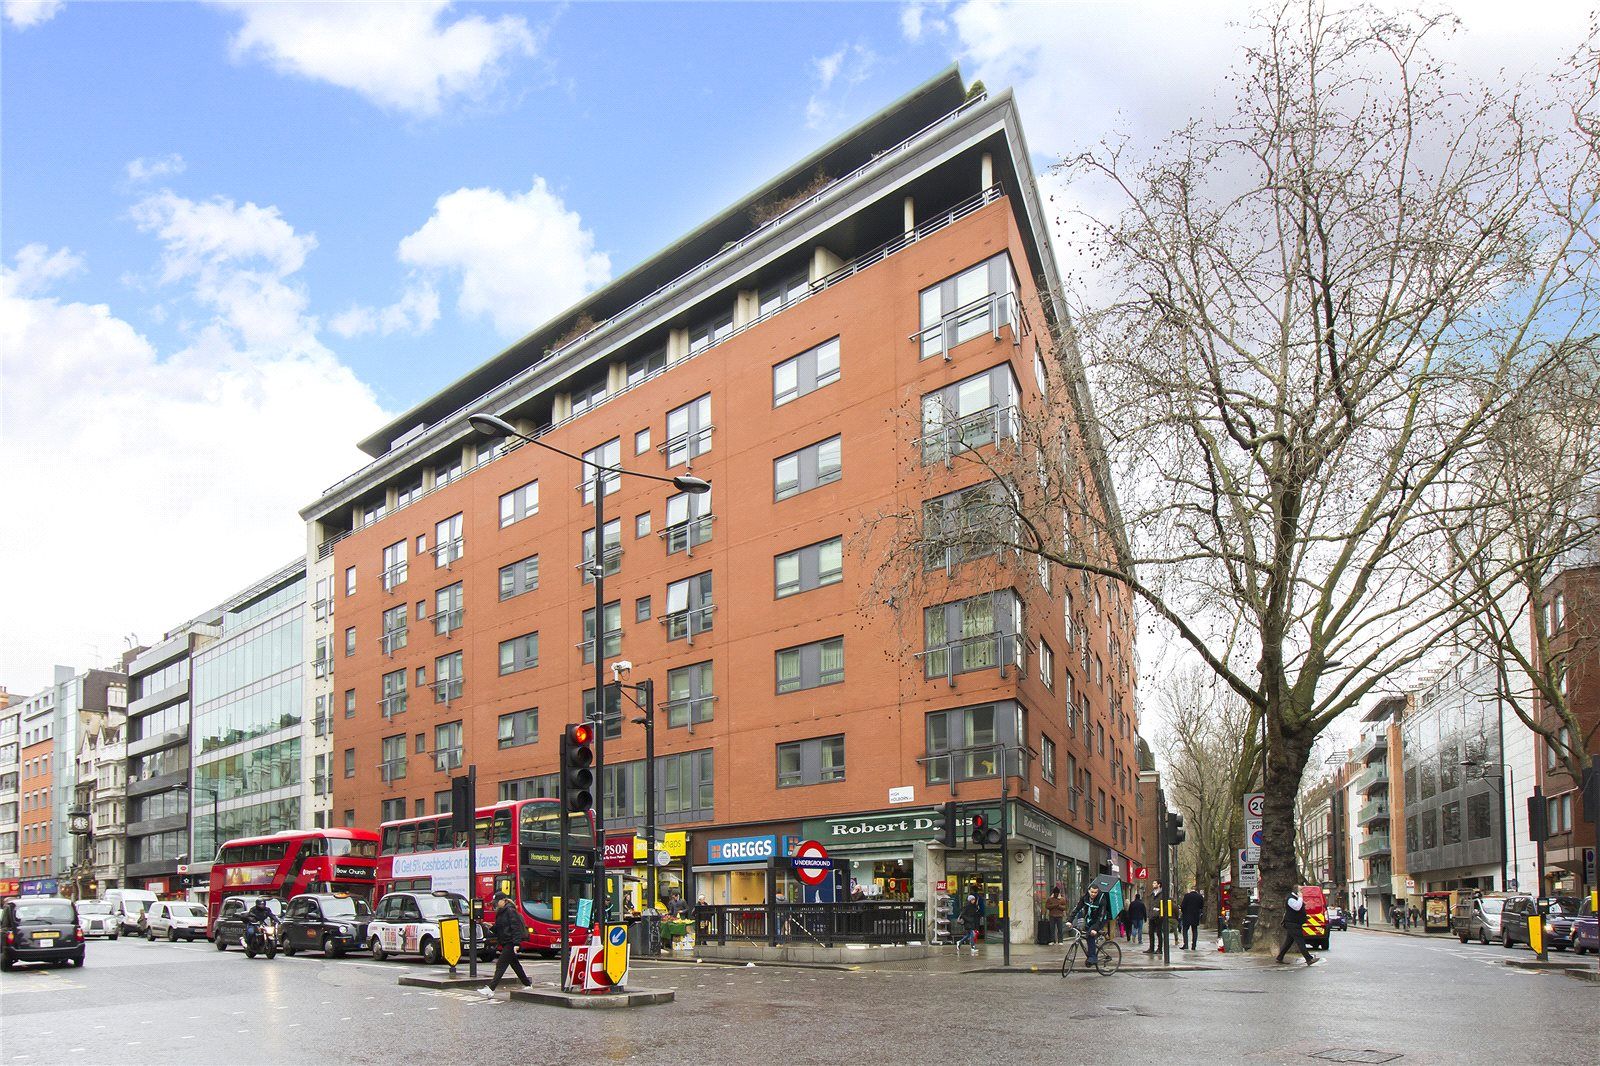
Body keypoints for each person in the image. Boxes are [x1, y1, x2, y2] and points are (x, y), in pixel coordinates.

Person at [480, 894, 532, 998]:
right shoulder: (501, 912)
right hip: (505, 942)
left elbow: (515, 927)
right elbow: (501, 928)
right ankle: (527, 984)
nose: (496, 904)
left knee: (501, 964)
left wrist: (516, 944)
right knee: (515, 965)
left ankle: (491, 989)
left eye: (497, 902)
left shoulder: (510, 910)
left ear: (503, 900)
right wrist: (491, 927)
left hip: (510, 942)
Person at [1071, 883, 1112, 966]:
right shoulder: (1085, 897)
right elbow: (1077, 909)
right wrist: (1069, 920)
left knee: (1090, 935)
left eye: (1095, 892)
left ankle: (1093, 957)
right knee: (1088, 936)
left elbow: (1101, 916)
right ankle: (1093, 948)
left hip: (1100, 920)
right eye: (1092, 892)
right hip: (1090, 919)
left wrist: (1095, 929)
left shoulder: (1101, 899)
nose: (1093, 894)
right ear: (1088, 891)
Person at [1276, 888, 1318, 966]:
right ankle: (1309, 959)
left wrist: (1304, 916)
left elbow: (1297, 911)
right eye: (1301, 890)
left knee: (1288, 942)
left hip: (1295, 923)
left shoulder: (1295, 899)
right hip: (1293, 924)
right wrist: (1300, 898)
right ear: (1297, 891)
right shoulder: (1291, 899)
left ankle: (1279, 957)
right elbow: (1297, 907)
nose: (1302, 892)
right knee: (1300, 941)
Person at [1180, 884, 1205, 950]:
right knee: (1194, 930)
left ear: (1191, 889)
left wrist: (1183, 912)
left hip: (1187, 915)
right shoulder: (1199, 896)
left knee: (1185, 930)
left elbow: (1182, 905)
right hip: (1195, 916)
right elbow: (1201, 906)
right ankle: (1194, 945)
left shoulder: (1187, 896)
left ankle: (1186, 944)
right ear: (1196, 890)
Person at [1145, 880, 1168, 954]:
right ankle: (1151, 948)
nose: (1153, 884)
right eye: (1153, 883)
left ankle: (1159, 949)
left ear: (1159, 884)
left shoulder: (1162, 894)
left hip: (1159, 916)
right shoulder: (1152, 894)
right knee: (1151, 932)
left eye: (1154, 883)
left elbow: (1165, 905)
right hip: (1152, 916)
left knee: (1159, 933)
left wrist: (1160, 912)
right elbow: (1150, 904)